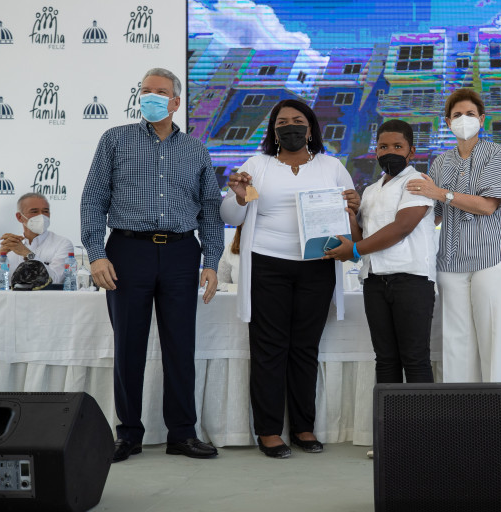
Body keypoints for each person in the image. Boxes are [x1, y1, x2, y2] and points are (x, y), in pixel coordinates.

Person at [80, 68, 223, 462]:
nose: (151, 97)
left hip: (181, 252)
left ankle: (182, 434)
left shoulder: (196, 149)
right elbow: (93, 199)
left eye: (160, 92)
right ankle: (127, 434)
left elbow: (211, 209)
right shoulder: (114, 139)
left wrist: (211, 261)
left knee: (181, 345)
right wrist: (96, 253)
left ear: (176, 101)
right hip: (128, 251)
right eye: (145, 90)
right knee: (128, 345)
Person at [220, 99, 360, 459]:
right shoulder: (259, 167)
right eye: (282, 122)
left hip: (317, 265)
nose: (290, 127)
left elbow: (351, 214)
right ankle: (268, 430)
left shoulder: (331, 167)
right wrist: (239, 197)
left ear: (310, 128)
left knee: (305, 347)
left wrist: (354, 208)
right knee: (269, 348)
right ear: (273, 130)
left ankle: (302, 427)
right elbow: (233, 216)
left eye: (298, 120)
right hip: (267, 264)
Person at [407, 88, 501, 383]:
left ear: (482, 119)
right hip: (450, 261)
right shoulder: (440, 162)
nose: (464, 119)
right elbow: (434, 214)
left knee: (493, 343)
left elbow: (487, 205)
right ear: (447, 122)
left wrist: (441, 193)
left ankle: (497, 406)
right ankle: (461, 410)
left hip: (491, 258)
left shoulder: (495, 153)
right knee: (456, 346)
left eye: (470, 114)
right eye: (457, 115)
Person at [324, 120, 436, 384]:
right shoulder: (371, 190)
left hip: (412, 280)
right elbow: (362, 239)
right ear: (375, 151)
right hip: (374, 281)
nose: (390, 152)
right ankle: (390, 414)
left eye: (398, 146)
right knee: (385, 359)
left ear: (411, 151)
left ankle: (423, 415)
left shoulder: (417, 182)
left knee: (415, 358)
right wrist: (351, 216)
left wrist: (353, 248)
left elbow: (402, 228)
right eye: (383, 147)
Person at [0, 192, 73, 285]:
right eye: (34, 211)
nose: (42, 216)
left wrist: (28, 255)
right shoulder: (7, 244)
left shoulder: (62, 244)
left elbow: (55, 280)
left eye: (45, 211)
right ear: (19, 217)